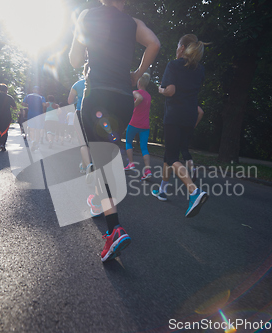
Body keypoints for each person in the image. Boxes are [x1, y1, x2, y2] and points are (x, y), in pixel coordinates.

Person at [70, 0, 160, 262]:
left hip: (97, 93)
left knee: (98, 161)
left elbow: (75, 59)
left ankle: (114, 230)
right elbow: (154, 44)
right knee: (105, 155)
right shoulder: (134, 24)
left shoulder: (87, 15)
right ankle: (98, 199)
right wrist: (137, 74)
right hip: (123, 98)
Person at [153, 34, 209, 218]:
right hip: (190, 116)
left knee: (171, 156)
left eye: (178, 46)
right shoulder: (200, 69)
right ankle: (162, 190)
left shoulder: (174, 65)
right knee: (169, 154)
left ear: (183, 48)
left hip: (175, 115)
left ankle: (194, 191)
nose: (176, 50)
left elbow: (170, 91)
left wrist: (160, 89)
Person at [123, 72, 152, 180]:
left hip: (134, 123)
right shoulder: (149, 96)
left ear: (139, 82)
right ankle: (148, 170)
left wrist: (132, 107)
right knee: (144, 147)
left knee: (129, 142)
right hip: (145, 126)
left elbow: (139, 98)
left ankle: (131, 164)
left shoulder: (135, 92)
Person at [179, 106, 204, 182]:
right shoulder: (192, 102)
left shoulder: (182, 100)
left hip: (179, 127)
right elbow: (201, 112)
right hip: (189, 128)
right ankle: (192, 168)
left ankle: (171, 168)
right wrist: (195, 123)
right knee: (184, 148)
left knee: (175, 148)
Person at [22, 86, 46, 151]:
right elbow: (44, 105)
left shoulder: (28, 96)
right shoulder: (41, 97)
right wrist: (44, 112)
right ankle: (36, 143)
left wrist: (28, 105)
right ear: (39, 91)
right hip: (39, 115)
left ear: (33, 90)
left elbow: (23, 103)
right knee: (38, 130)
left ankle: (32, 142)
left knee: (31, 129)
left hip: (31, 115)